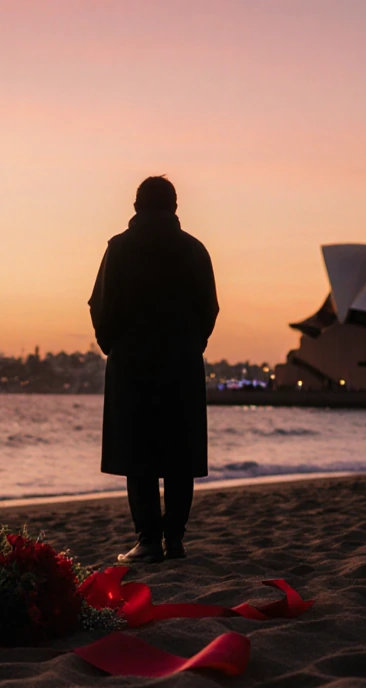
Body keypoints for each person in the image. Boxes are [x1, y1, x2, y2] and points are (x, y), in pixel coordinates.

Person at [89, 176, 219, 564]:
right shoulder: (195, 250)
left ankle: (147, 540)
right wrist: (193, 344)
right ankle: (174, 540)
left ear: (135, 207)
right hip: (182, 362)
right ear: (175, 208)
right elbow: (209, 308)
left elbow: (101, 306)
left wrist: (114, 346)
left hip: (132, 362)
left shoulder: (120, 248)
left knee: (138, 453)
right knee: (179, 454)